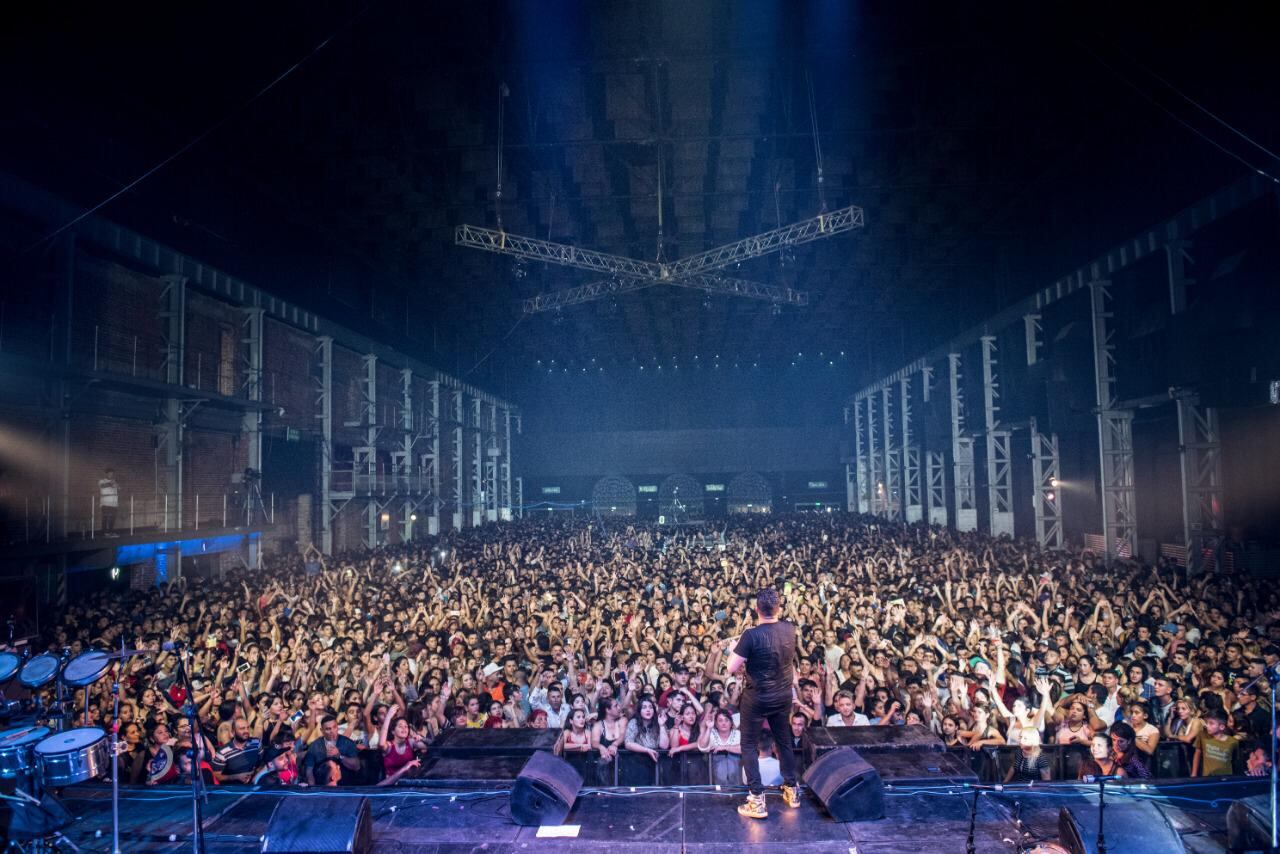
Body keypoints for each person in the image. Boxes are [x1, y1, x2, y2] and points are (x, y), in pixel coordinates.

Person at [705, 587, 800, 819]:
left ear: (756, 609)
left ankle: (757, 799)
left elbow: (731, 668)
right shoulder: (790, 629)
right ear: (779, 607)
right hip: (782, 694)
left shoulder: (750, 635)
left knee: (748, 744)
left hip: (758, 697)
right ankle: (792, 790)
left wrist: (731, 649)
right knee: (783, 740)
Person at [301, 715, 361, 786]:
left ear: (337, 727)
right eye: (328, 729)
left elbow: (357, 766)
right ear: (322, 730)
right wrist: (313, 790)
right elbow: (309, 771)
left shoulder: (347, 743)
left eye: (334, 727)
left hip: (346, 787)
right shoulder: (315, 746)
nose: (332, 731)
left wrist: (340, 756)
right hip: (321, 788)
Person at [210, 718, 260, 784]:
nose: (246, 731)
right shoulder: (223, 752)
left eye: (247, 728)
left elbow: (261, 763)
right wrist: (236, 777)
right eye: (242, 728)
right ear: (233, 732)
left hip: (253, 785)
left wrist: (255, 775)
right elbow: (216, 775)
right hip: (233, 789)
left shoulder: (256, 743)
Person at [1192, 709, 1240, 777]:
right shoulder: (1202, 735)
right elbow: (1197, 754)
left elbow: (1235, 761)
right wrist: (1194, 773)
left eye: (1211, 723)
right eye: (1207, 722)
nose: (1207, 725)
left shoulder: (1233, 742)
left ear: (1222, 727)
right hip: (1207, 778)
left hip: (1226, 779)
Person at [99, 467, 119, 535]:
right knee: (105, 517)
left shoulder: (114, 481)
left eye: (112, 474)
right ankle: (104, 532)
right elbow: (102, 486)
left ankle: (111, 531)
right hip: (105, 504)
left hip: (114, 504)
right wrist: (111, 483)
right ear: (106, 474)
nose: (111, 475)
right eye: (110, 474)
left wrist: (117, 486)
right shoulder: (102, 481)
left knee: (113, 518)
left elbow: (118, 488)